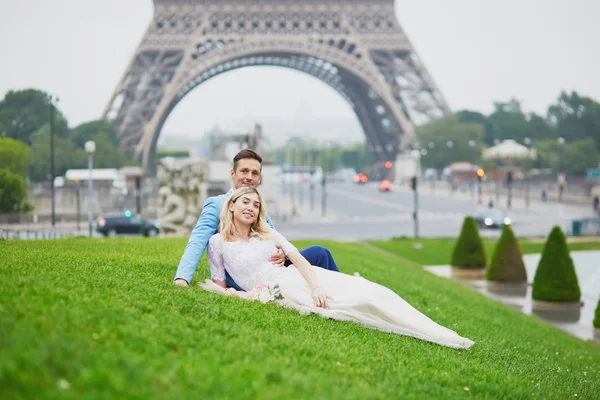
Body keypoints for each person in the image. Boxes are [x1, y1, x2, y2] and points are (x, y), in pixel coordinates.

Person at [203, 186, 475, 350]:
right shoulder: (217, 243)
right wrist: (235, 295)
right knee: (361, 304)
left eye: (256, 204)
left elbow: (298, 259)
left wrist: (317, 286)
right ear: (232, 206)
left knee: (374, 291)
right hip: (280, 291)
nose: (251, 207)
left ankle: (440, 332)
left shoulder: (268, 234)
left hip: (302, 278)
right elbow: (221, 285)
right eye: (245, 202)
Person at [173, 149, 339, 288]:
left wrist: (282, 252)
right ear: (232, 173)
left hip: (271, 264)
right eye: (244, 171)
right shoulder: (218, 203)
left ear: (259, 179)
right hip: (245, 274)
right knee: (319, 253)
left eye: (254, 173)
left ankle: (333, 293)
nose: (249, 177)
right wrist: (183, 277)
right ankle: (335, 294)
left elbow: (272, 235)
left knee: (321, 254)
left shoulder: (256, 205)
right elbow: (197, 240)